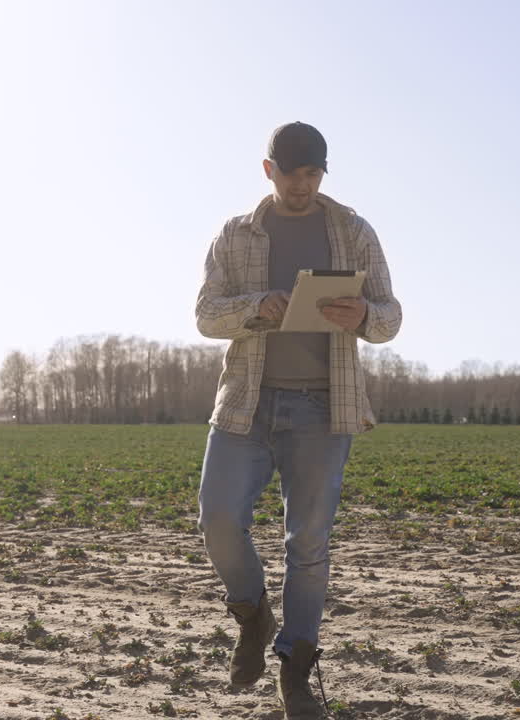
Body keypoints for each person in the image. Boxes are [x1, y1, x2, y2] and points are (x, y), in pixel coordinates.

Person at [194, 122, 402, 719]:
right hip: (245, 403)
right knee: (217, 519)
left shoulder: (353, 232)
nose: (304, 186)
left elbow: (390, 319)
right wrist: (257, 307)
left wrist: (364, 311)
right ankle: (253, 615)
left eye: (314, 174)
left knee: (307, 544)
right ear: (269, 171)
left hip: (323, 408)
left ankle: (297, 669)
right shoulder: (236, 237)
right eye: (293, 174)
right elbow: (206, 316)